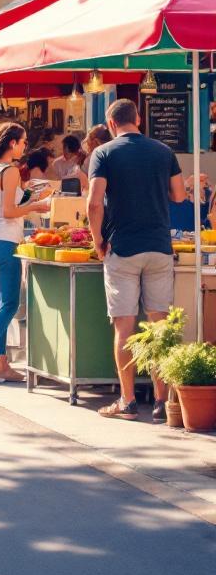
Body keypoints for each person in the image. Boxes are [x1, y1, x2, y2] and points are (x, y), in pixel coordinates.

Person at [88, 99, 185, 420]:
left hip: (123, 248)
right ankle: (161, 402)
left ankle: (128, 402)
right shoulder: (163, 151)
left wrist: (98, 240)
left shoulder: (103, 154)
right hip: (159, 246)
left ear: (111, 124)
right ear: (139, 119)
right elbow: (179, 195)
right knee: (160, 329)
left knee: (124, 327)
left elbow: (93, 204)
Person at [0, 123, 50, 384]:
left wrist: (29, 195)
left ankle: (1, 363)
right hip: (7, 242)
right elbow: (9, 211)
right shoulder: (11, 170)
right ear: (12, 143)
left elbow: (1, 205)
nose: (25, 146)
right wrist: (37, 205)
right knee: (10, 305)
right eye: (23, 141)